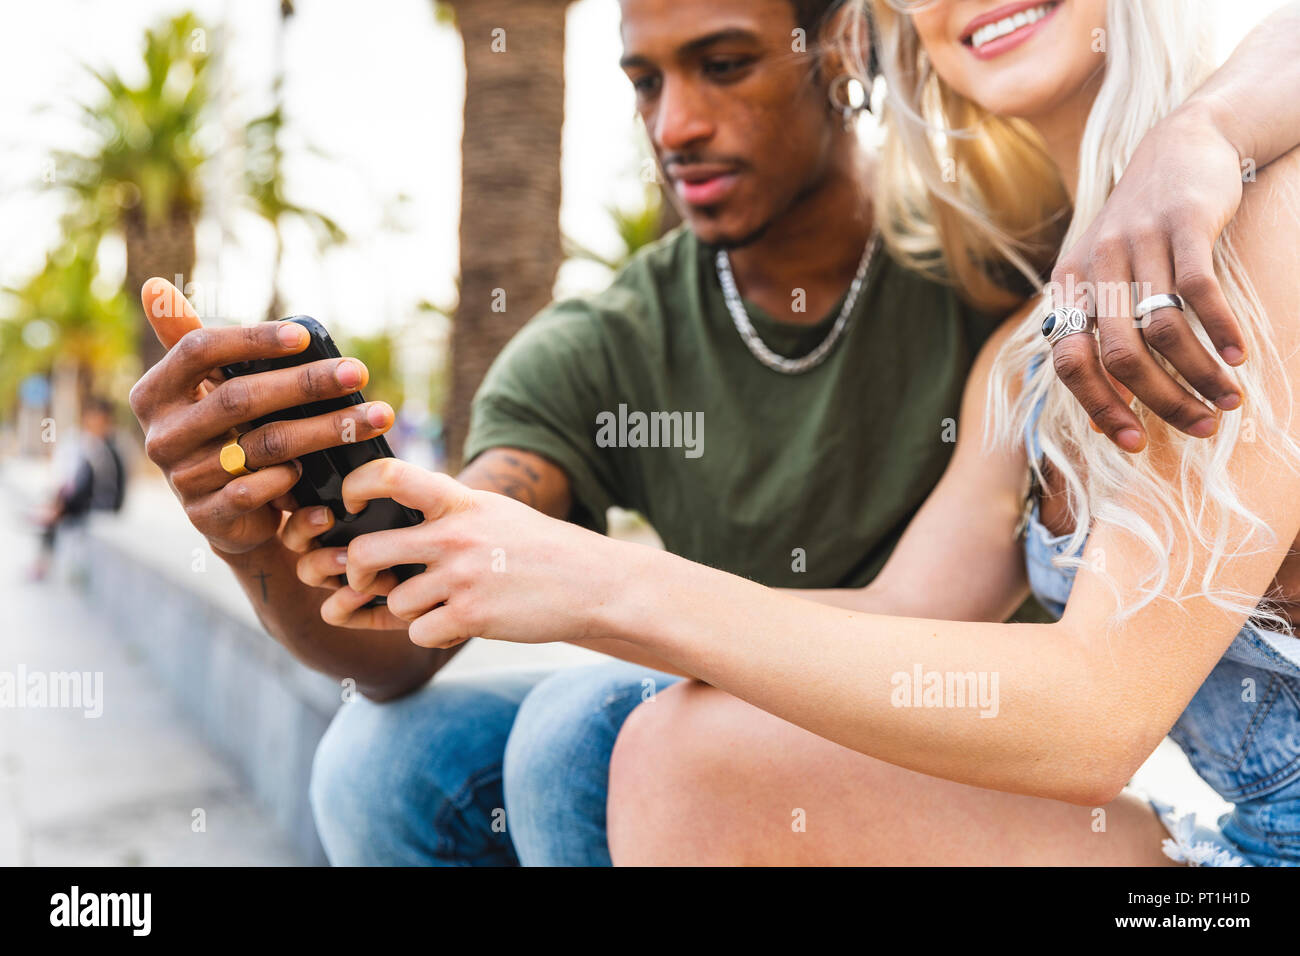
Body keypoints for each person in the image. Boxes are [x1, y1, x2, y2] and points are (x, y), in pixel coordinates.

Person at [127, 0, 1300, 866]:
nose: (678, 122)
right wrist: (461, 552)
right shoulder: (1030, 335)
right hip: (1210, 840)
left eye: (726, 64)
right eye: (644, 84)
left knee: (637, 746)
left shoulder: (1251, 217)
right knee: (631, 752)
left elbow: (1096, 711)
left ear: (831, 54)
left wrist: (1203, 131)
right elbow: (907, 614)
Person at [29, 397, 126, 582]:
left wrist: (62, 506)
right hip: (92, 501)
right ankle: (43, 561)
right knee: (54, 511)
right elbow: (77, 481)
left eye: (96, 419)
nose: (92, 423)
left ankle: (44, 563)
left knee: (54, 518)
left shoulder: (106, 448)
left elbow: (90, 486)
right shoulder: (94, 444)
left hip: (103, 504)